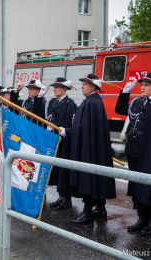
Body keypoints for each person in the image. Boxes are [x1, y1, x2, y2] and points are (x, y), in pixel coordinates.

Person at [59, 74, 116, 224]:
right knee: (95, 176)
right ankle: (101, 209)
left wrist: (68, 131)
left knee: (89, 177)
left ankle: (88, 211)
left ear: (93, 86)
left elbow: (82, 128)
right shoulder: (93, 101)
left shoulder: (91, 103)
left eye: (85, 84)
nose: (82, 86)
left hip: (89, 148)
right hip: (92, 147)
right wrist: (69, 130)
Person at [115, 74, 151, 236]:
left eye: (147, 85)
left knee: (148, 187)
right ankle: (142, 218)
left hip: (148, 153)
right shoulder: (137, 102)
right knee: (137, 185)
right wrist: (125, 93)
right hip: (134, 151)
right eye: (142, 84)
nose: (142, 87)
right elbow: (120, 110)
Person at [42, 77, 77, 210]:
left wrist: (66, 131)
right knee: (56, 170)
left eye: (57, 87)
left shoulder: (70, 104)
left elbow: (73, 124)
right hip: (54, 139)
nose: (54, 89)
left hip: (64, 141)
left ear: (64, 89)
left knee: (64, 170)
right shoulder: (52, 102)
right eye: (54, 87)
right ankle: (61, 195)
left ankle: (66, 198)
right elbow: (49, 117)